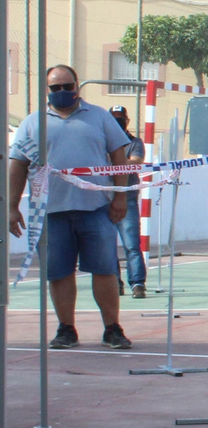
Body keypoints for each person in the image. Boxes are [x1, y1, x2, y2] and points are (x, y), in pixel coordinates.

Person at [7, 64, 135, 349]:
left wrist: (119, 197)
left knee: (105, 270)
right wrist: (12, 206)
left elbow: (118, 158)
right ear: (47, 91)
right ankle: (66, 329)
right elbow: (18, 165)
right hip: (50, 213)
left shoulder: (100, 117)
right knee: (59, 272)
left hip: (97, 210)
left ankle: (112, 329)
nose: (62, 92)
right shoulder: (33, 123)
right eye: (56, 88)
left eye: (67, 86)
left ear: (77, 86)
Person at [107, 105, 148, 298]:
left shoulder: (134, 142)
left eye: (120, 119)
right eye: (113, 119)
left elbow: (136, 161)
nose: (117, 123)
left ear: (127, 121)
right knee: (106, 245)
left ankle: (137, 283)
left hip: (127, 199)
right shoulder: (101, 142)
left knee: (131, 244)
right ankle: (114, 283)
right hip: (103, 198)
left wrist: (115, 164)